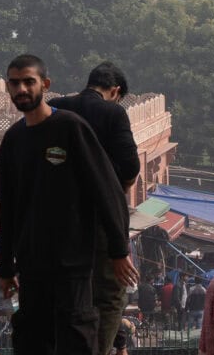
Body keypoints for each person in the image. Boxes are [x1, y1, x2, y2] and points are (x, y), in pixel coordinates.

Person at [0, 54, 138, 355]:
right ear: (7, 88)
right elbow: (8, 207)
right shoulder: (13, 140)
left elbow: (108, 188)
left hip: (72, 260)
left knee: (75, 335)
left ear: (45, 85)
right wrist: (5, 267)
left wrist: (118, 249)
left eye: (29, 82)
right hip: (32, 263)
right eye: (15, 83)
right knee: (33, 337)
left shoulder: (70, 127)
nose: (22, 89)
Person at [50, 61, 141, 355]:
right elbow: (130, 166)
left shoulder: (55, 108)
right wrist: (118, 185)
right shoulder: (114, 112)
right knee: (110, 292)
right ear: (114, 91)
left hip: (59, 219)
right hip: (103, 220)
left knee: (67, 288)